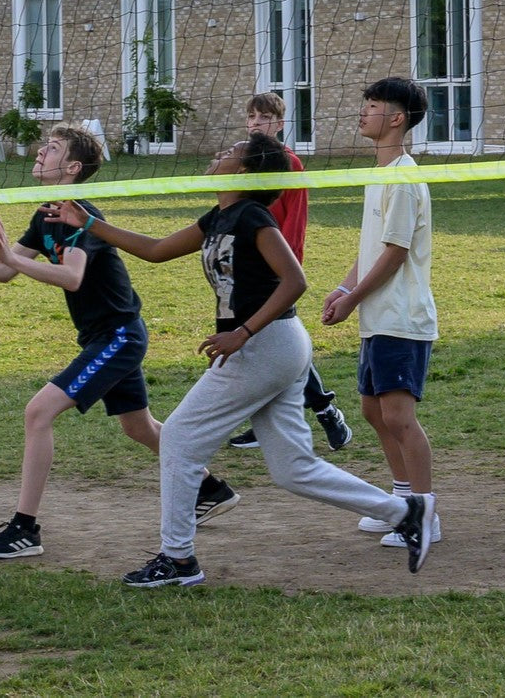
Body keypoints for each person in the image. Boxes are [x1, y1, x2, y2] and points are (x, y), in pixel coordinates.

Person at [50, 133, 435, 587]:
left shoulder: (253, 217)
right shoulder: (219, 216)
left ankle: (177, 559)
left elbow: (295, 281)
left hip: (265, 344)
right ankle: (404, 512)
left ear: (246, 171)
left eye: (230, 151)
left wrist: (243, 332)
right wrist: (88, 222)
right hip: (273, 346)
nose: (218, 153)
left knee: (176, 437)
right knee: (293, 469)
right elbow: (154, 251)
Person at [0, 125, 237, 561]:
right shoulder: (46, 214)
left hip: (119, 336)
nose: (40, 152)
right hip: (109, 335)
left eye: (53, 148)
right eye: (43, 145)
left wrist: (14, 263)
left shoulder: (79, 213)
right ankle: (210, 488)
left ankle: (25, 528)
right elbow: (6, 270)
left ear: (73, 167)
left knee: (38, 412)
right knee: (138, 427)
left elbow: (73, 277)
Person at [321, 78, 441, 550]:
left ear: (396, 118)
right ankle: (400, 501)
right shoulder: (379, 172)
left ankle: (424, 514)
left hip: (401, 316)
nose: (361, 113)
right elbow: (371, 248)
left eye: (371, 106)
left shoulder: (404, 176)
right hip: (378, 314)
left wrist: (353, 299)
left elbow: (394, 253)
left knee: (399, 416)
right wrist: (345, 286)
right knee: (374, 411)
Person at [229, 93, 352, 453]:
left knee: (274, 341)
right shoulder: (241, 164)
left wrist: (288, 266)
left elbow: (294, 220)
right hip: (245, 266)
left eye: (264, 117)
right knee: (262, 344)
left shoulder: (288, 163)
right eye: (251, 116)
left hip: (277, 268)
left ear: (279, 124)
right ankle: (270, 421)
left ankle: (326, 411)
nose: (255, 122)